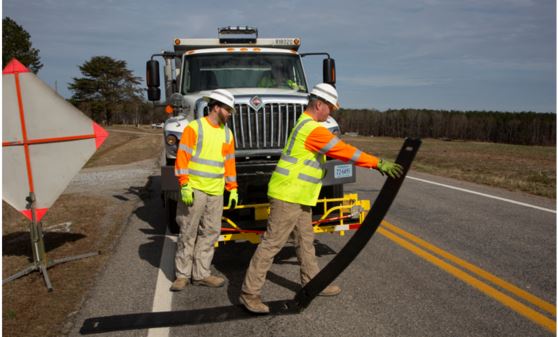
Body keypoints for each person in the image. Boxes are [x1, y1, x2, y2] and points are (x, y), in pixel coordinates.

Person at [239, 83, 403, 313]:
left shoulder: (306, 125)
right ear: (319, 104)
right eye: (330, 108)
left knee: (306, 240)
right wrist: (377, 163)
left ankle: (313, 283)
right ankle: (249, 293)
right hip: (288, 195)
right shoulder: (312, 130)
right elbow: (344, 150)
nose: (331, 113)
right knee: (271, 244)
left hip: (298, 196)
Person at [170, 89, 239, 291]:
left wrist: (232, 188)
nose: (229, 114)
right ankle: (182, 275)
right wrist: (184, 184)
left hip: (215, 191)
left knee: (210, 233)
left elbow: (229, 163)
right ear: (216, 107)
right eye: (227, 110)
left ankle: (201, 274)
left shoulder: (227, 133)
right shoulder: (195, 128)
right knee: (188, 231)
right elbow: (182, 158)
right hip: (195, 189)